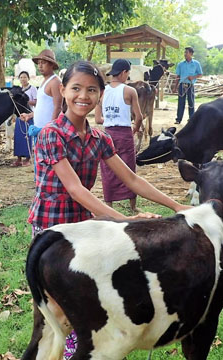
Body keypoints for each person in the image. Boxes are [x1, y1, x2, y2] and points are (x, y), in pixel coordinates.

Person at [27, 60, 191, 359]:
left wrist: (177, 205)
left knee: (81, 301)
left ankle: (70, 350)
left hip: (84, 229)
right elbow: (75, 189)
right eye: (76, 88)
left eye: (91, 90)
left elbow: (130, 178)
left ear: (100, 95)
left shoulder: (99, 138)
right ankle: (49, 347)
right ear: (62, 90)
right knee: (56, 307)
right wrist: (124, 220)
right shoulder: (51, 134)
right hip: (51, 229)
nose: (83, 96)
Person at [95, 59, 143, 213]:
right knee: (129, 168)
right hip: (124, 133)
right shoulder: (129, 91)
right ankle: (133, 206)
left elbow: (97, 119)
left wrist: (109, 119)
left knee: (108, 169)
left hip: (107, 133)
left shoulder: (102, 92)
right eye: (128, 74)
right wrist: (135, 128)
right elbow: (139, 117)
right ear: (123, 72)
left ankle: (108, 205)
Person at [11, 71, 37, 167]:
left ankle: (27, 159)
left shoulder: (32, 89)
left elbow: (35, 102)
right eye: (21, 77)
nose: (23, 79)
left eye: (25, 77)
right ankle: (18, 158)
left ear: (28, 78)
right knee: (18, 137)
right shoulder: (18, 90)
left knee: (27, 136)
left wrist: (25, 100)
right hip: (19, 115)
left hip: (29, 114)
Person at [174, 46, 203, 124]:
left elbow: (200, 74)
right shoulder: (180, 64)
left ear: (191, 53)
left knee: (191, 102)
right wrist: (175, 87)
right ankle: (178, 119)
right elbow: (178, 76)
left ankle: (191, 119)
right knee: (181, 102)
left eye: (186, 52)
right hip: (182, 85)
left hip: (190, 85)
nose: (185, 54)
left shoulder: (196, 64)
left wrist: (193, 77)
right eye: (185, 52)